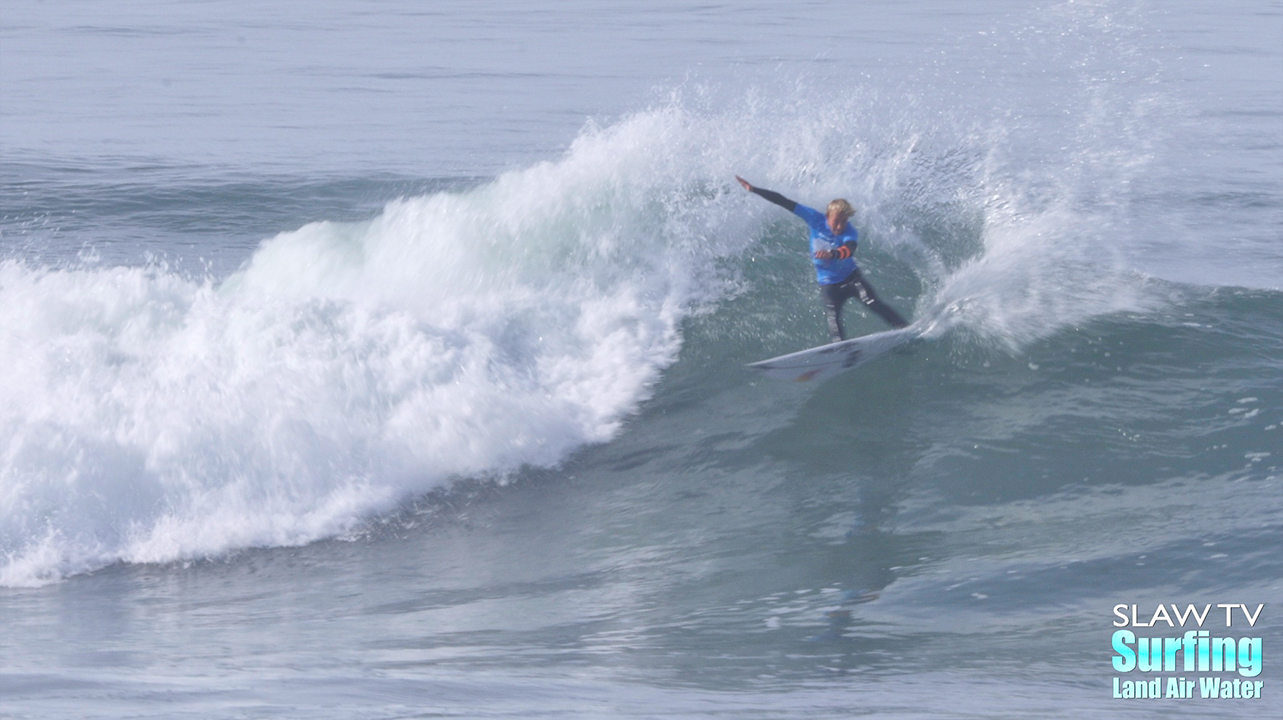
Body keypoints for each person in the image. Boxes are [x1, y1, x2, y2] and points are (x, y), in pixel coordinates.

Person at [736, 175, 909, 342]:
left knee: (872, 302)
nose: (840, 226)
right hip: (828, 283)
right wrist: (753, 189)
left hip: (852, 279)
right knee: (833, 318)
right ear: (827, 216)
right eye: (837, 221)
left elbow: (850, 249)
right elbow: (783, 201)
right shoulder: (815, 219)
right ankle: (840, 350)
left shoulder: (850, 232)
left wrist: (832, 254)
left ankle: (904, 328)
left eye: (844, 221)